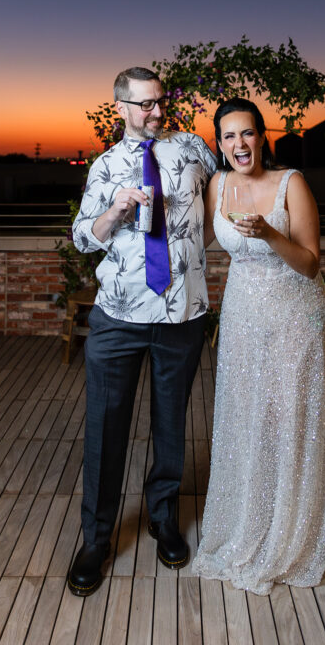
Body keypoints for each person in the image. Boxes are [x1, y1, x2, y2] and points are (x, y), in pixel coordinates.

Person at [67, 66, 216, 597]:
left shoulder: (195, 149)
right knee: (106, 429)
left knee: (172, 424)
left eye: (161, 102)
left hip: (182, 315)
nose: (157, 111)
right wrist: (115, 209)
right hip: (118, 320)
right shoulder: (104, 166)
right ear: (122, 108)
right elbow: (84, 238)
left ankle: (163, 518)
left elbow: (238, 179)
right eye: (146, 104)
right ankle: (97, 538)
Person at [192, 98, 325, 595]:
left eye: (247, 134)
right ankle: (248, 525)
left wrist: (270, 233)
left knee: (290, 419)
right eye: (228, 136)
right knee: (249, 416)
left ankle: (289, 535)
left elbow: (311, 263)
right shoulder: (218, 184)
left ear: (262, 136)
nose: (239, 145)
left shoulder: (291, 183)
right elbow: (202, 240)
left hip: (296, 314)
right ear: (219, 144)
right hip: (243, 316)